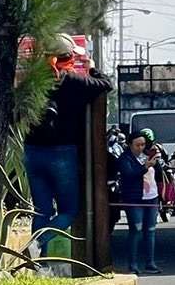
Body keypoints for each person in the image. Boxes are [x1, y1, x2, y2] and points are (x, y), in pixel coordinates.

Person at [24, 35, 111, 259]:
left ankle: (37, 263)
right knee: (68, 211)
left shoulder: (32, 81)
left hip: (32, 152)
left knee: (41, 211)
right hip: (62, 153)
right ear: (69, 56)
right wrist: (92, 69)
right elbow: (105, 85)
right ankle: (37, 243)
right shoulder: (72, 81)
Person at [111, 131, 162, 275]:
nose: (141, 148)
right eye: (137, 145)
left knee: (150, 230)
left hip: (152, 197)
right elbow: (129, 174)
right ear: (130, 145)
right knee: (136, 229)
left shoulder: (147, 155)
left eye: (143, 144)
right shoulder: (124, 158)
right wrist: (145, 167)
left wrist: (156, 162)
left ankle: (150, 263)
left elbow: (158, 174)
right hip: (134, 198)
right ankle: (132, 265)